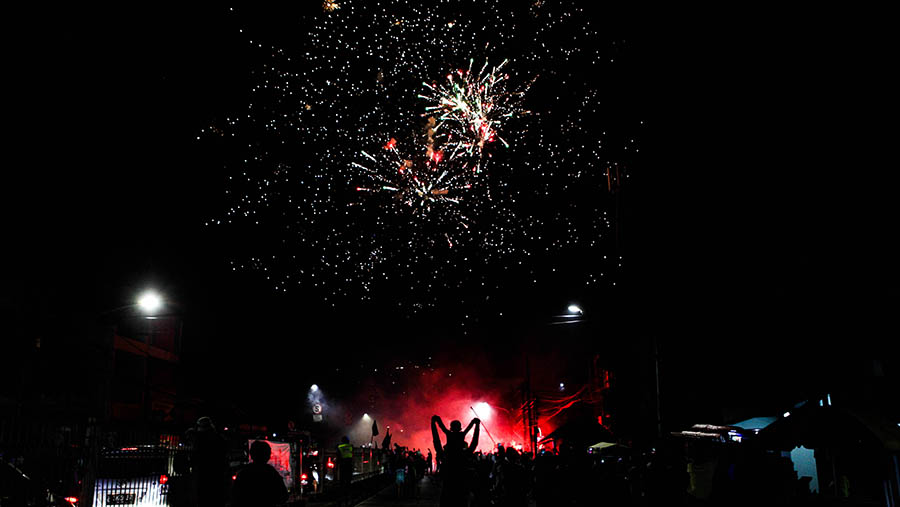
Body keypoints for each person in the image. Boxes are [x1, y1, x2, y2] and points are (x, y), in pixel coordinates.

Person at [431, 415, 480, 507]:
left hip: (448, 492)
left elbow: (436, 441)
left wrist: (434, 424)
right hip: (461, 492)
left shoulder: (445, 456)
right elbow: (474, 443)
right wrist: (476, 425)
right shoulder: (465, 456)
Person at [232, 440, 288, 507]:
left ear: (251, 454)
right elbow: (283, 496)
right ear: (267, 455)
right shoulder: (271, 473)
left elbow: (235, 496)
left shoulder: (244, 472)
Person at [189, 416, 227, 507]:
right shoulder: (219, 439)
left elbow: (195, 457)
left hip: (203, 476)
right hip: (217, 477)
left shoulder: (199, 440)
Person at [337, 436, 354, 505]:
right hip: (349, 464)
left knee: (342, 480)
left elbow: (338, 455)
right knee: (348, 480)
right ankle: (348, 495)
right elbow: (352, 454)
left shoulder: (340, 447)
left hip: (343, 464)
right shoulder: (350, 446)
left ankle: (342, 495)